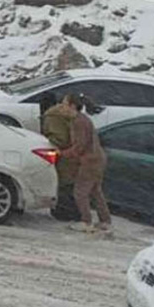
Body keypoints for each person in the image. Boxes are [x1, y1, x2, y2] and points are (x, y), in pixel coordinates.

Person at [63, 93, 111, 233]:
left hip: (90, 160)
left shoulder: (79, 122)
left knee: (80, 192)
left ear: (72, 106)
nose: (62, 107)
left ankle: (86, 221)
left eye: (64, 104)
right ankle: (105, 221)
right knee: (95, 191)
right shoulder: (82, 119)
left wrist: (63, 154)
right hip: (98, 158)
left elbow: (80, 146)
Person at [38, 92, 78, 220]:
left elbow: (59, 138)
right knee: (68, 184)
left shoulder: (52, 116)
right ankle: (71, 211)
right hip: (73, 154)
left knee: (62, 182)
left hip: (63, 154)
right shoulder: (62, 114)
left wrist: (46, 142)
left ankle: (65, 212)